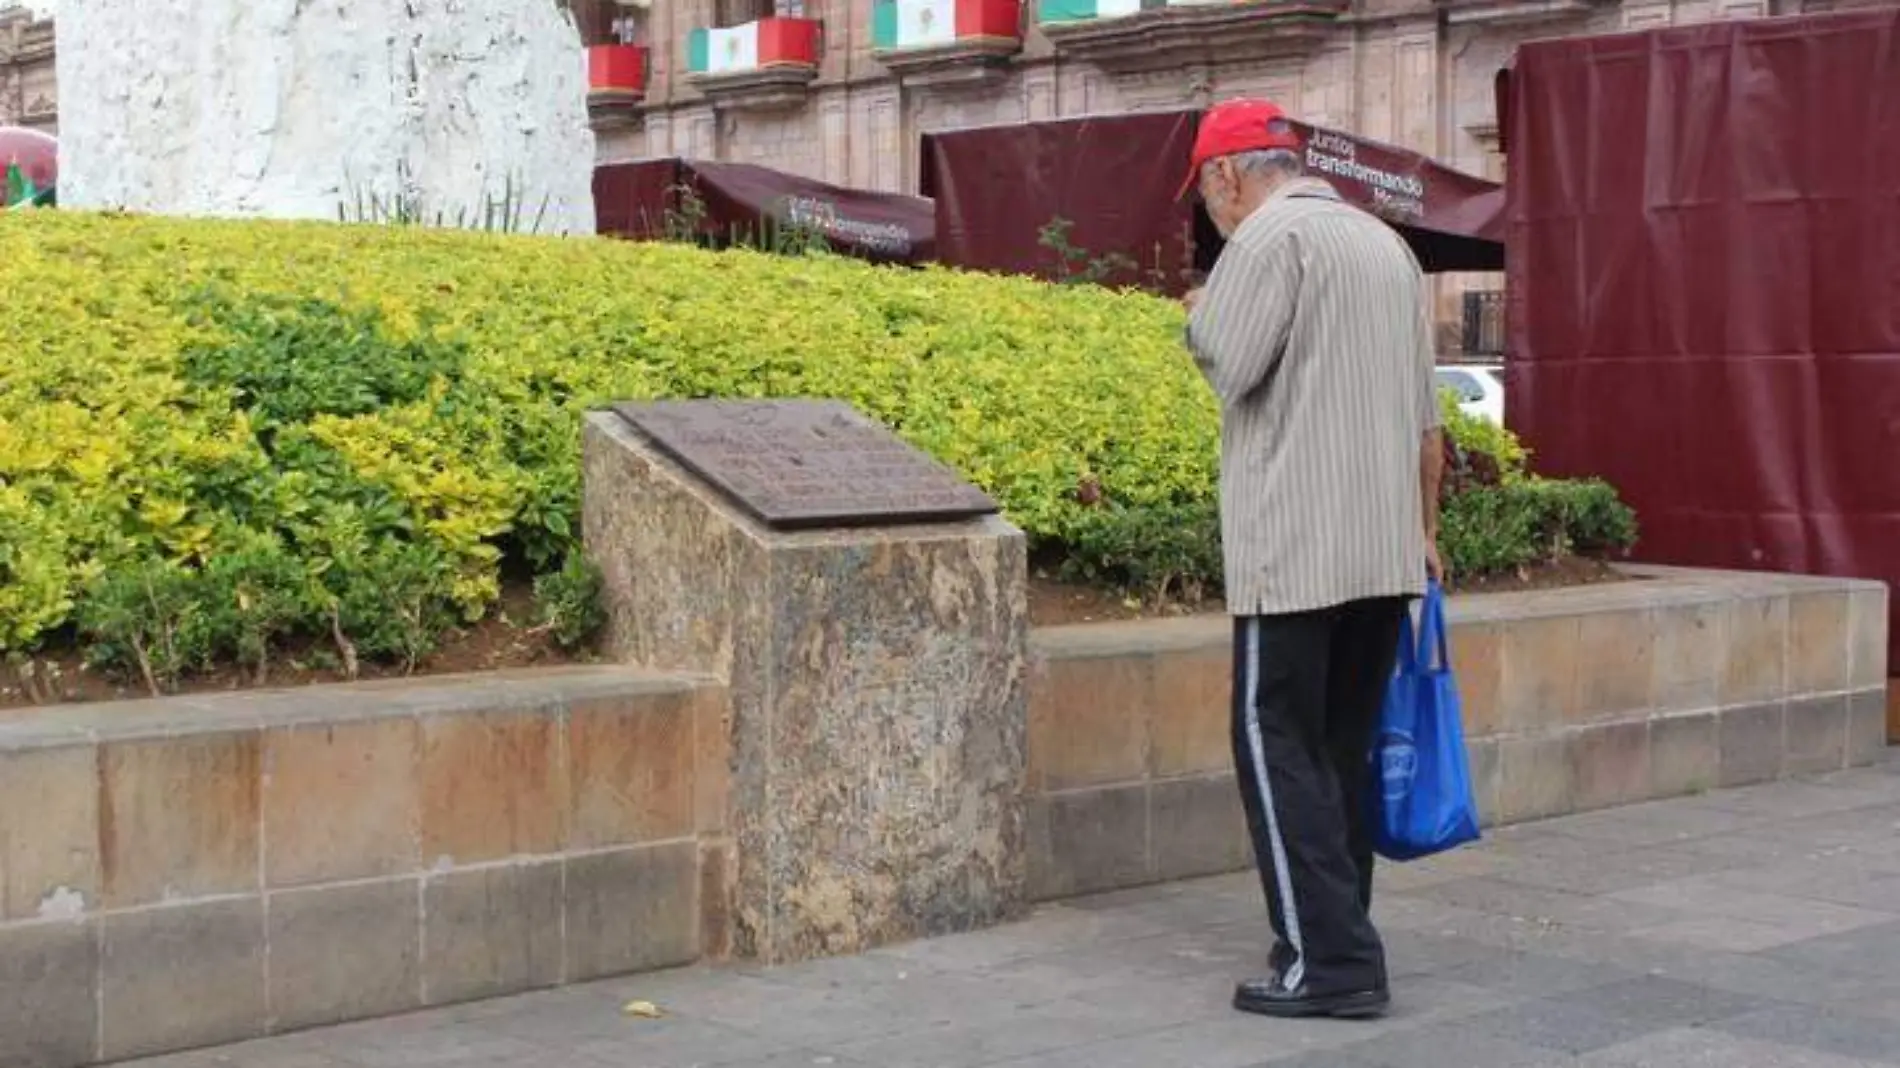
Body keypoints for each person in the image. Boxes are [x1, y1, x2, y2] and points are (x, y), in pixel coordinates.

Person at [1179, 99, 1444, 1020]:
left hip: (1294, 549)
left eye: (1206, 195)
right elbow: (1427, 422)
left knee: (1274, 746)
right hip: (1384, 549)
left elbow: (1230, 360)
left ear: (1227, 174)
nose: (1210, 215)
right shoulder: (1385, 247)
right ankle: (1334, 942)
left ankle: (1328, 963)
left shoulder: (1263, 242)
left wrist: (1200, 309)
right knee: (1336, 752)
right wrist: (1426, 530)